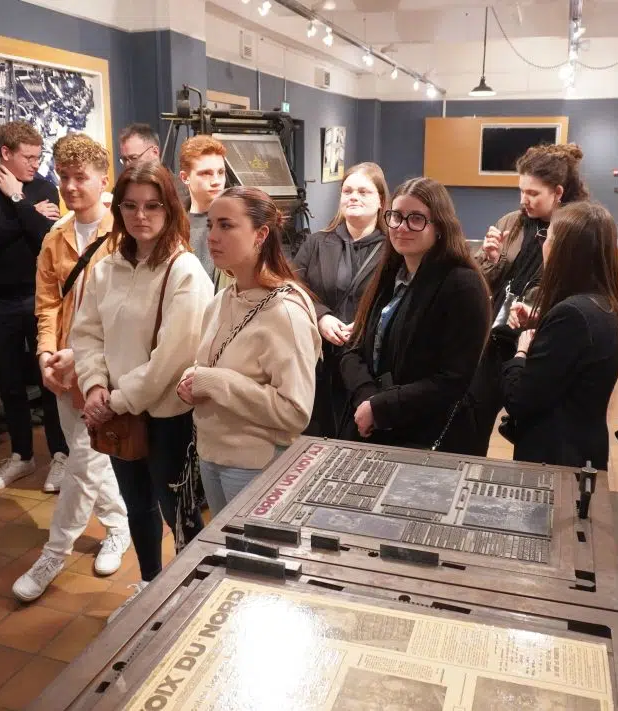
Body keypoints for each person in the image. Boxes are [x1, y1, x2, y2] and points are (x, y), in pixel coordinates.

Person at [71, 161, 213, 598]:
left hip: (168, 416)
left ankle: (191, 598)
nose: (141, 215)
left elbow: (171, 359)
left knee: (180, 513)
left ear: (171, 209)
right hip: (118, 412)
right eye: (130, 206)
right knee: (137, 507)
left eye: (152, 205)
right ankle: (150, 587)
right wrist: (94, 385)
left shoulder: (185, 271)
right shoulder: (107, 267)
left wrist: (113, 400)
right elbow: (86, 331)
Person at [12, 134, 131, 603]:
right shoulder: (55, 237)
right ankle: (119, 526)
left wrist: (81, 359)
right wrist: (45, 355)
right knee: (89, 457)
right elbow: (46, 305)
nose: (70, 186)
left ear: (104, 180)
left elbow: (125, 315)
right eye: (63, 177)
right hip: (61, 366)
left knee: (82, 459)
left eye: (80, 177)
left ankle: (53, 553)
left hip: (101, 367)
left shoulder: (123, 237)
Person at [177, 187, 320, 515]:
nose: (212, 236)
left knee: (254, 561)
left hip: (254, 464)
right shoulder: (222, 301)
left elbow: (294, 412)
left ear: (261, 234)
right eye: (211, 224)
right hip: (211, 455)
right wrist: (193, 383)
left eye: (226, 226)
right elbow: (208, 368)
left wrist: (215, 383)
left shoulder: (285, 312)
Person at [449, 143, 590, 456]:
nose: (524, 200)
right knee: (471, 418)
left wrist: (537, 318)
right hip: (495, 337)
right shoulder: (511, 222)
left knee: (530, 431)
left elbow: (576, 292)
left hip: (538, 344)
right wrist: (488, 258)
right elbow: (481, 280)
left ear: (558, 192)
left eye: (533, 193)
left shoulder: (576, 231)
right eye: (521, 191)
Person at [338, 177, 491, 449]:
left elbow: (454, 378)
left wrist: (382, 406)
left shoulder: (461, 284)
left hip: (426, 436)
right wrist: (368, 398)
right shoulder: (387, 276)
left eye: (416, 219)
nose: (402, 227)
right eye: (396, 216)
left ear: (440, 227)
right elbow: (354, 348)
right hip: (376, 426)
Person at [0, 120, 69, 493]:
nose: (35, 164)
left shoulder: (42, 187)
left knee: (49, 377)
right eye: (28, 157)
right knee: (9, 382)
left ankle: (60, 455)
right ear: (5, 154)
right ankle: (22, 455)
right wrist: (23, 215)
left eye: (39, 157)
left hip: (40, 297)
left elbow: (44, 237)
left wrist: (20, 201)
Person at [499, 202, 618, 469]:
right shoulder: (605, 304)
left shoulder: (572, 315)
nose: (542, 245)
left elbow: (520, 399)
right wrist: (543, 322)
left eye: (546, 239)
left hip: (555, 458)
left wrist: (521, 352)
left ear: (564, 251)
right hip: (581, 450)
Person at [293, 162, 389, 436]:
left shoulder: (393, 249)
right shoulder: (316, 243)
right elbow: (292, 286)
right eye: (347, 191)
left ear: (381, 200)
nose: (353, 197)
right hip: (319, 360)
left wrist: (363, 326)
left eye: (363, 191)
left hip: (368, 363)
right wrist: (321, 316)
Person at [178, 135, 231, 290]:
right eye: (206, 173)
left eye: (221, 172)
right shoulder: (172, 225)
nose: (216, 181)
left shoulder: (239, 222)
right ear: (185, 177)